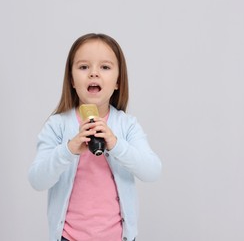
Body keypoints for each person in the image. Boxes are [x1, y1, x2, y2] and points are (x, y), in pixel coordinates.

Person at [28, 33, 162, 241]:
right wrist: (69, 149)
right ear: (72, 80)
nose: (93, 74)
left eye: (105, 67)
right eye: (83, 67)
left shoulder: (127, 125)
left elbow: (152, 171)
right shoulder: (57, 125)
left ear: (118, 81)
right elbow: (37, 180)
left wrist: (116, 145)